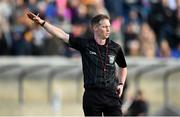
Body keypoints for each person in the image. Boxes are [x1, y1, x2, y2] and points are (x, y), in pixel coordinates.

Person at [27, 11, 127, 116]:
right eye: (104, 26)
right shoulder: (85, 44)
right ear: (95, 28)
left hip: (111, 95)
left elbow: (123, 66)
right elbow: (62, 35)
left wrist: (121, 84)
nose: (108, 29)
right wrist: (42, 23)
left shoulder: (115, 47)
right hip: (92, 95)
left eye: (109, 26)